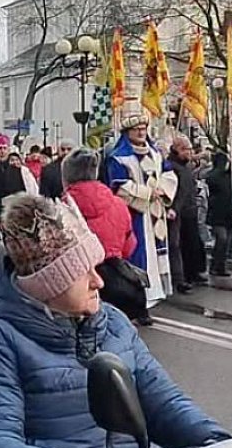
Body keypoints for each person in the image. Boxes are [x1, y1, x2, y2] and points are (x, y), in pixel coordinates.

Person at [0, 193, 231, 448]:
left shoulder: (113, 323)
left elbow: (163, 401)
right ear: (48, 284)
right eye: (81, 272)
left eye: (95, 267)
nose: (97, 281)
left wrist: (217, 444)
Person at [62, 149, 151, 324]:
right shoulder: (118, 203)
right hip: (115, 276)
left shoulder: (65, 206)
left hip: (82, 281)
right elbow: (129, 244)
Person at [105, 115, 178, 308]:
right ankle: (139, 293)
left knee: (157, 250)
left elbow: (169, 173)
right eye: (136, 129)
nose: (140, 132)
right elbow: (119, 186)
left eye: (143, 129)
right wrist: (147, 193)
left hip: (155, 212)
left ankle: (156, 289)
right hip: (135, 213)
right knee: (137, 252)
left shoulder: (155, 154)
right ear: (127, 133)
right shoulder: (119, 157)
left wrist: (162, 189)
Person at [167, 136, 207, 292]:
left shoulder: (185, 166)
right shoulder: (171, 166)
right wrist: (175, 208)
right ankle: (181, 277)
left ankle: (193, 272)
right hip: (178, 212)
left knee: (193, 243)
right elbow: (177, 191)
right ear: (177, 149)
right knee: (179, 245)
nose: (189, 153)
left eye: (190, 149)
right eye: (185, 149)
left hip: (190, 209)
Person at [206, 152, 232, 277]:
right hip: (217, 214)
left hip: (229, 214)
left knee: (226, 242)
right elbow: (211, 181)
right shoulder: (213, 176)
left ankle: (221, 266)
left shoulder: (231, 177)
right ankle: (215, 265)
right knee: (222, 239)